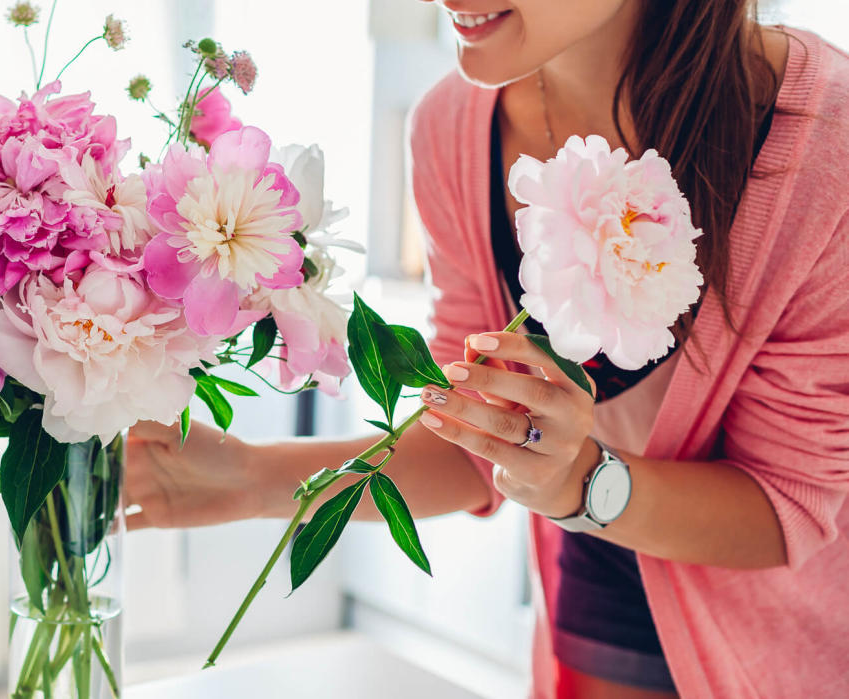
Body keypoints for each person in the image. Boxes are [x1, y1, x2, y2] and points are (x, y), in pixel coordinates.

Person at [126, 1, 849, 696]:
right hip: (600, 557)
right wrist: (252, 478)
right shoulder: (452, 130)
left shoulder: (824, 143)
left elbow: (788, 502)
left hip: (789, 630)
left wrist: (581, 482)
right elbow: (472, 444)